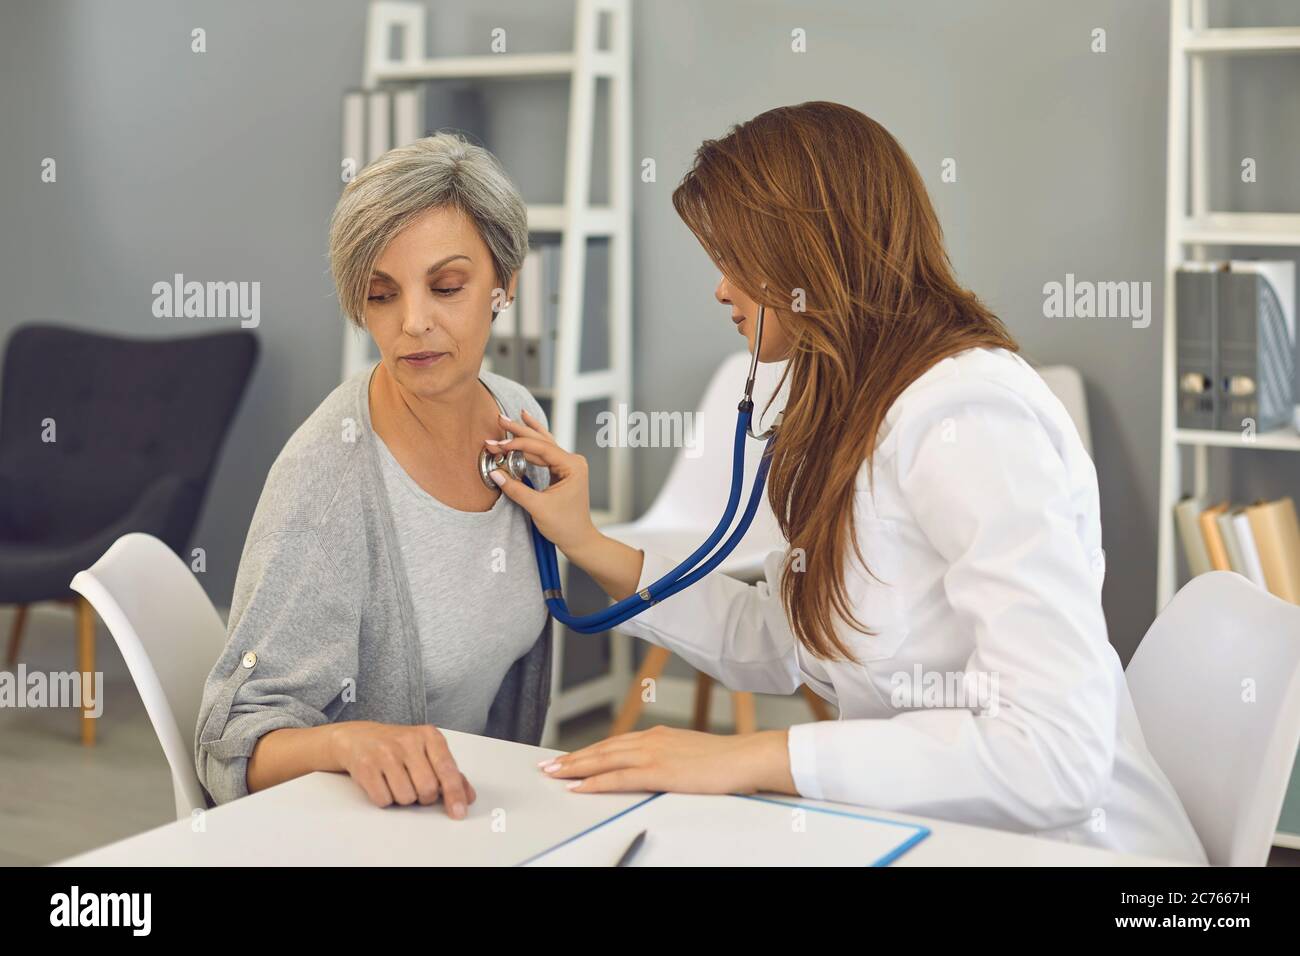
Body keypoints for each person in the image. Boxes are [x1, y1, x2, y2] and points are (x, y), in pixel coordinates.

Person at [486, 101, 1208, 863]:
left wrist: (756, 757)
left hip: (1068, 849)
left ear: (806, 252)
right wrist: (585, 542)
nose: (721, 289)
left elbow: (1055, 759)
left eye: (735, 258)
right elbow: (784, 637)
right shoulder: (859, 404)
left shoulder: (968, 416)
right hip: (929, 832)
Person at [194, 133, 551, 815]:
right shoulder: (328, 477)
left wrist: (580, 535)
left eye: (446, 287)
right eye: (382, 295)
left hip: (473, 821)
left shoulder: (518, 419)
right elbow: (228, 742)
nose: (413, 322)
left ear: (504, 285)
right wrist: (347, 743)